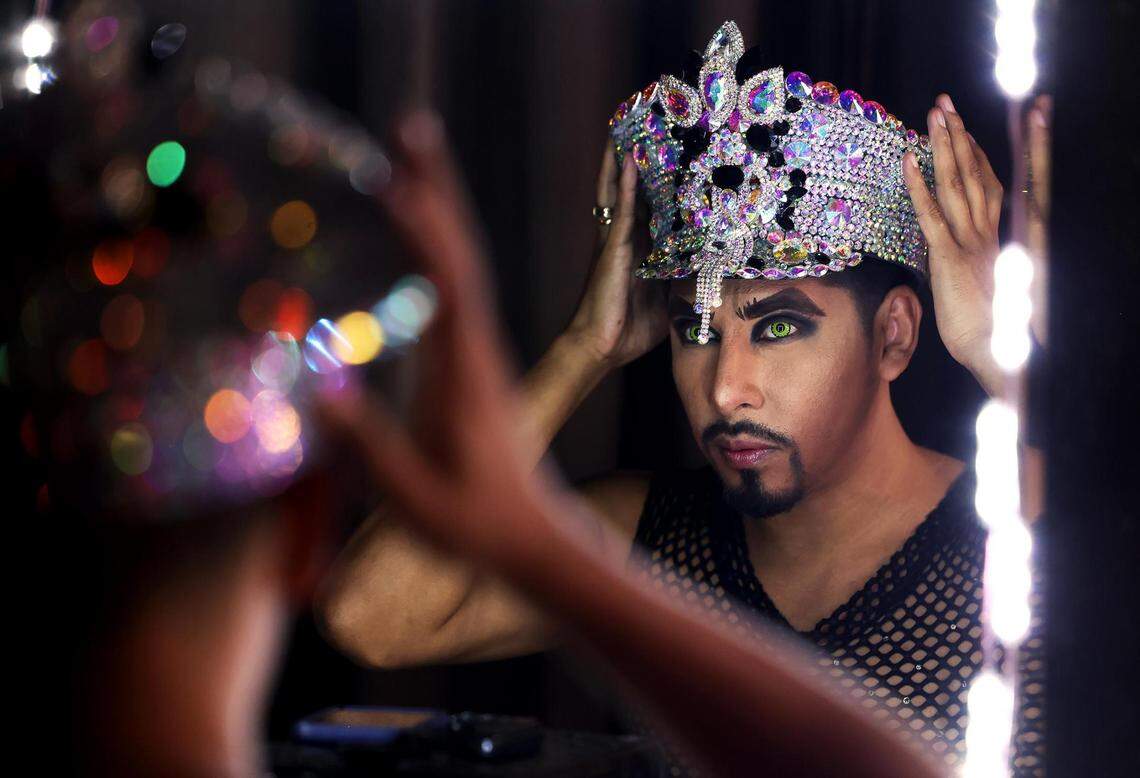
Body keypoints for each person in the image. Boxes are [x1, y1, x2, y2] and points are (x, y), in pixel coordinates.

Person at [319, 21, 1049, 772]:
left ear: (893, 337)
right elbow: (368, 617)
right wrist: (585, 348)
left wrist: (1005, 366)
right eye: (694, 330)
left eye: (779, 328)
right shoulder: (650, 545)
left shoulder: (1023, 525)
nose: (726, 389)